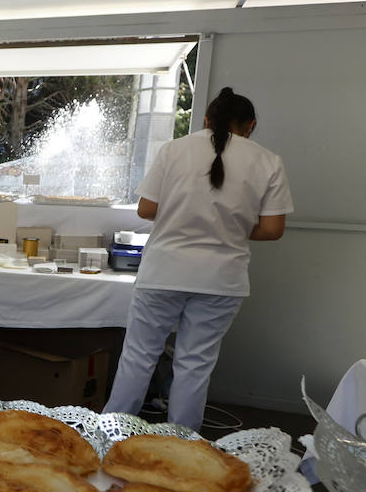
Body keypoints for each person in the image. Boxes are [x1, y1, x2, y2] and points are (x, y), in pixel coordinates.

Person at [104, 87, 293, 429]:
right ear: (250, 126)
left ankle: (111, 436)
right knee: (194, 365)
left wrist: (184, 216)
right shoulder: (269, 161)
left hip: (164, 272)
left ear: (206, 120)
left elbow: (147, 209)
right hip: (222, 279)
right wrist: (228, 228)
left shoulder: (174, 149)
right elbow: (273, 229)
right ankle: (184, 450)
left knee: (138, 358)